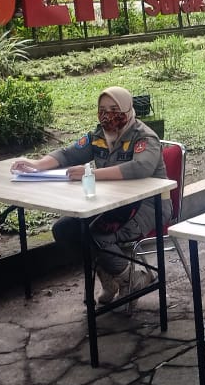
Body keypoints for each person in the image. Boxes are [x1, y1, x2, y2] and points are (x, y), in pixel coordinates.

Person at [11, 86, 171, 304]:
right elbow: (69, 153)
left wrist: (92, 174)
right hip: (112, 205)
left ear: (127, 109)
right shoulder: (98, 136)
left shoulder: (144, 137)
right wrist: (37, 164)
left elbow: (140, 168)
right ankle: (111, 279)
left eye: (114, 109)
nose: (108, 115)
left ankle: (132, 279)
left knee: (95, 232)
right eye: (102, 109)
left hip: (148, 206)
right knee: (64, 229)